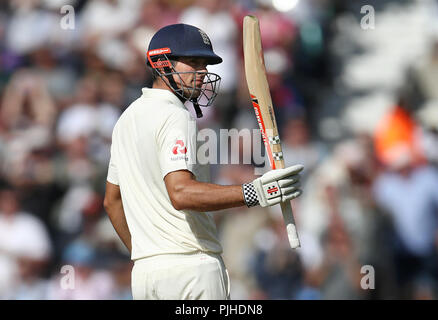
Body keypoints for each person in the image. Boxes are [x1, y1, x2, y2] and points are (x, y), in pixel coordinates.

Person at [103, 23, 304, 300]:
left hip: (146, 274)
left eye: (205, 65)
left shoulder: (125, 119)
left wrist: (147, 253)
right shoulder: (176, 116)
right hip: (192, 269)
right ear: (161, 63)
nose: (203, 73)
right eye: (194, 63)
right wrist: (256, 192)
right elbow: (181, 192)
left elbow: (111, 201)